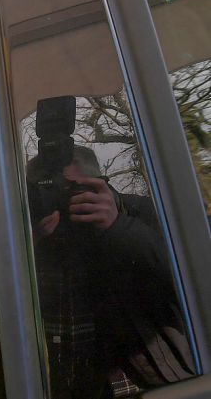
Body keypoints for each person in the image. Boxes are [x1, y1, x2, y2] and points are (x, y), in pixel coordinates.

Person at [27, 145, 194, 398]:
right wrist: (27, 248)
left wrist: (118, 227)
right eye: (47, 193)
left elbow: (194, 279)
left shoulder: (141, 212)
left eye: (71, 190)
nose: (60, 201)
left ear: (99, 183)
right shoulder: (26, 237)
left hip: (151, 381)